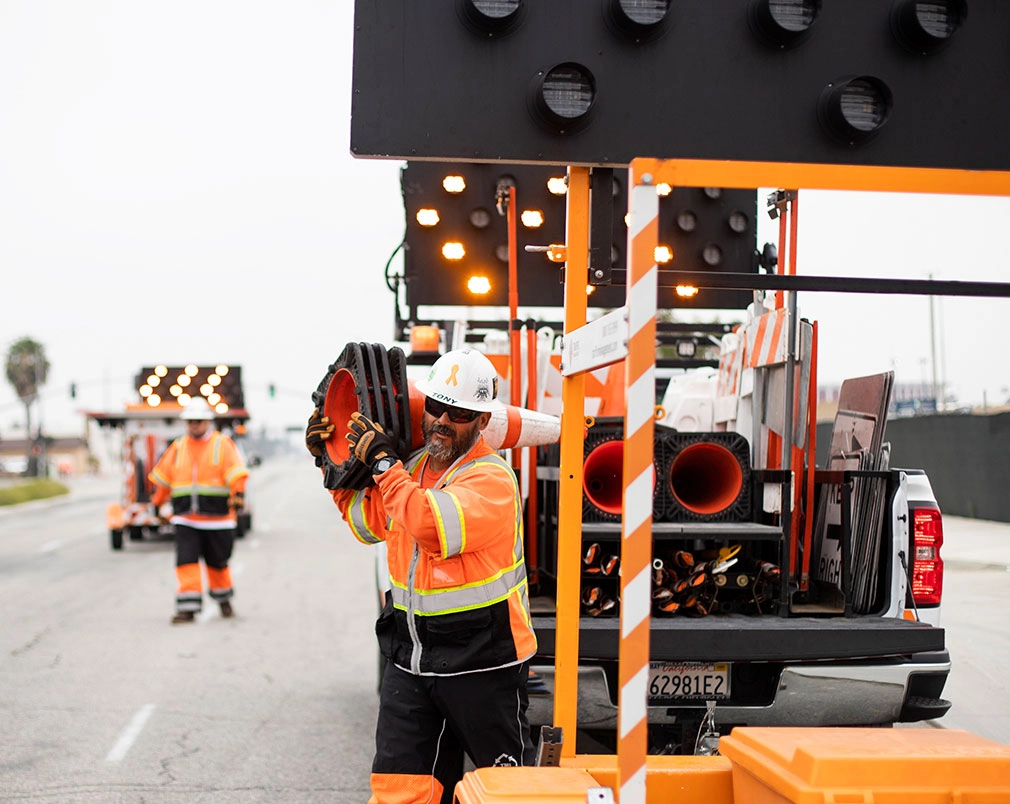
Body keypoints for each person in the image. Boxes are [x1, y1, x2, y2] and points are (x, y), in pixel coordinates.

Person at [306, 348, 537, 804]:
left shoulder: (491, 479)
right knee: (400, 792)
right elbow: (365, 523)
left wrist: (382, 467)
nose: (443, 420)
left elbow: (431, 526)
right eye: (437, 406)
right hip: (411, 660)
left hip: (483, 664)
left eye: (460, 412)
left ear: (483, 418)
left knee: (509, 793)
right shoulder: (411, 469)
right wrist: (331, 468)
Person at [149, 397, 248, 625]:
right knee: (186, 562)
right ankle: (187, 609)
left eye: (199, 420)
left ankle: (224, 601)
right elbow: (164, 480)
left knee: (218, 564)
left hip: (218, 519)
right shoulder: (178, 447)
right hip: (186, 519)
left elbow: (237, 473)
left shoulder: (221, 444)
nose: (195, 425)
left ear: (208, 422)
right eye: (191, 421)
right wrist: (157, 503)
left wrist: (238, 495)